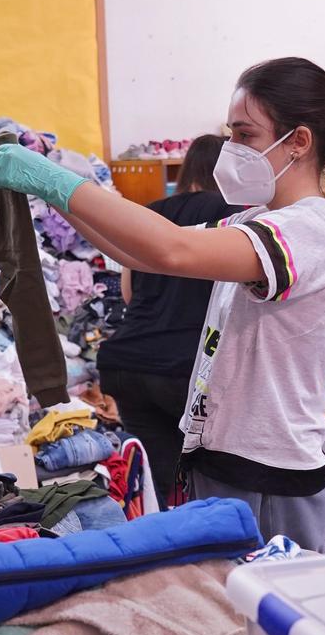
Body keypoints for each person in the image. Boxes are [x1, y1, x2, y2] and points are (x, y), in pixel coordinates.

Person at [0, 57, 325, 551]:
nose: (232, 150)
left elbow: (171, 249)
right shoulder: (256, 220)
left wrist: (57, 181)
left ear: (299, 141)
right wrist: (50, 193)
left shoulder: (309, 232)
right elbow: (141, 253)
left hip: (270, 473)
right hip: (222, 457)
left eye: (245, 135)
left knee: (263, 618)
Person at [96, 134, 239, 503]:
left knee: (156, 487)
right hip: (187, 367)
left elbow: (128, 293)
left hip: (127, 361)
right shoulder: (236, 218)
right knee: (212, 483)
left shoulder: (151, 213)